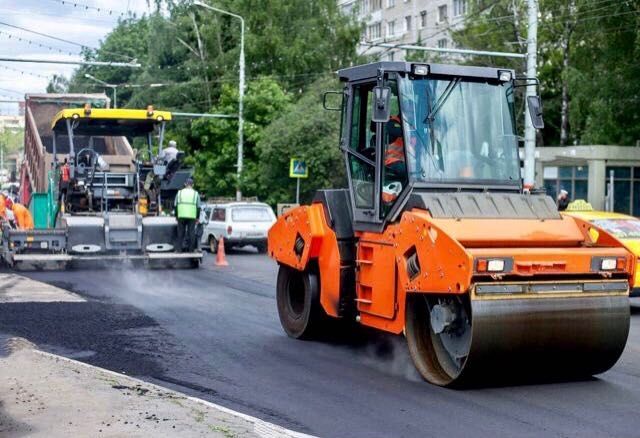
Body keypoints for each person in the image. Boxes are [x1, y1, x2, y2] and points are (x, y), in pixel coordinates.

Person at [174, 178, 201, 252]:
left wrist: (176, 215)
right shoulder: (196, 194)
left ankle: (179, 250)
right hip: (192, 216)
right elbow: (198, 207)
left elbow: (175, 205)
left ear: (185, 184)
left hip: (181, 215)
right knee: (191, 233)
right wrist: (197, 217)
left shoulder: (179, 193)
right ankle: (191, 250)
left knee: (180, 233)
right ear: (193, 185)